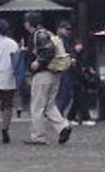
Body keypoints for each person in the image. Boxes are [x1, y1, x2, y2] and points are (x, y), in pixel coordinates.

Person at [23, 11, 72, 146]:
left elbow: (47, 51)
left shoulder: (39, 35)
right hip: (54, 73)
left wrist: (38, 61)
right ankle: (63, 126)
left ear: (28, 23)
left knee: (37, 106)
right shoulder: (47, 33)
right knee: (50, 105)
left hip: (42, 74)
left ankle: (38, 136)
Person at [66, 38, 96, 125]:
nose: (80, 47)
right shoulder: (73, 56)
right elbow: (75, 68)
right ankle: (86, 118)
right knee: (81, 99)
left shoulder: (81, 55)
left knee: (77, 100)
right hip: (75, 79)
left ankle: (70, 117)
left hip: (79, 79)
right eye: (78, 45)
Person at [54, 20, 76, 116]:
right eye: (66, 29)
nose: (68, 31)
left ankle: (59, 115)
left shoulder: (68, 41)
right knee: (62, 95)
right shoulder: (55, 41)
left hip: (67, 70)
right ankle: (58, 116)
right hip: (60, 70)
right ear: (59, 29)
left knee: (67, 95)